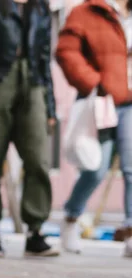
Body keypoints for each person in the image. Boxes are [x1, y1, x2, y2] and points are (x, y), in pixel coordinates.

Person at [0, 0, 59, 257]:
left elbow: (44, 55)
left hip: (34, 83)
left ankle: (35, 231)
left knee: (38, 159)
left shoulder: (40, 6)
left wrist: (50, 106)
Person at [56, 0, 132, 257]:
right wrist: (94, 82)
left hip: (130, 101)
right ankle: (70, 218)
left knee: (131, 168)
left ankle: (131, 232)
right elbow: (66, 51)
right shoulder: (86, 11)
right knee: (95, 168)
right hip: (100, 102)